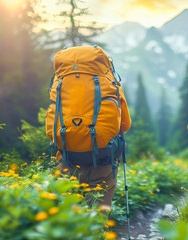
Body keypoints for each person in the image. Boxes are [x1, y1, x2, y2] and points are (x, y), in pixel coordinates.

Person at [46, 45, 132, 211]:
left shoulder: (59, 83)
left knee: (68, 214)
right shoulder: (111, 83)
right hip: (103, 161)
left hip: (66, 159)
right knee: (97, 215)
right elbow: (125, 124)